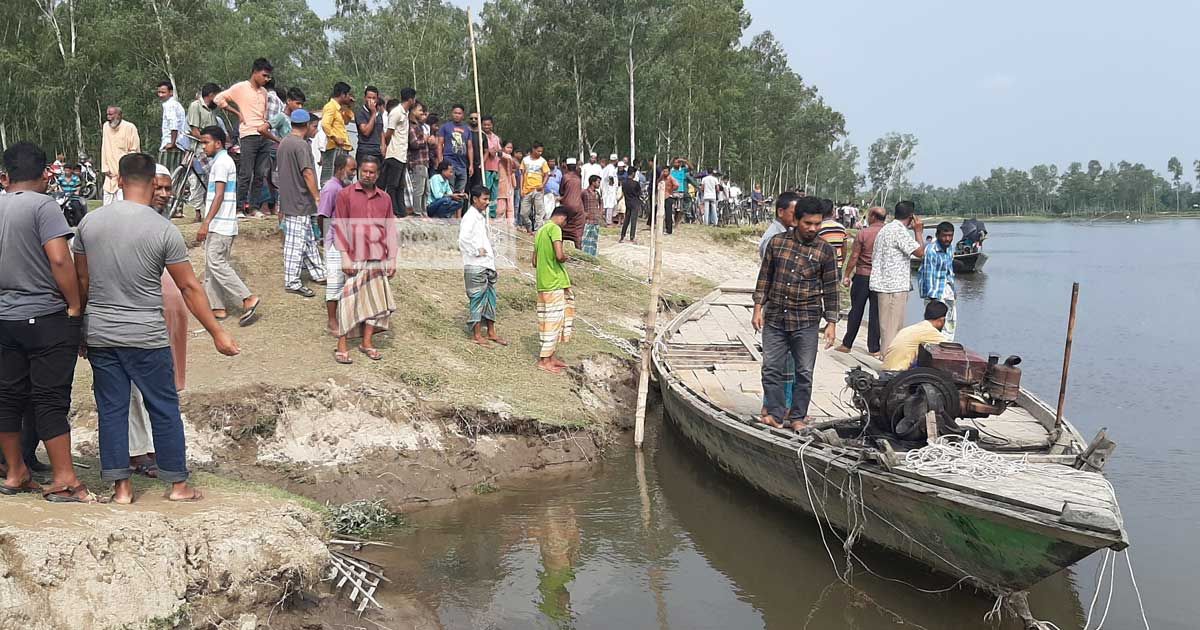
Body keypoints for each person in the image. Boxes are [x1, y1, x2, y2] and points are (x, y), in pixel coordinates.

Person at [74, 152, 238, 504]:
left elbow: (82, 282)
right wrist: (217, 332)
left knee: (112, 409)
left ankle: (121, 489)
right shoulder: (163, 229)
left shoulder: (90, 224)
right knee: (162, 407)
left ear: (118, 181)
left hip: (102, 333)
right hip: (147, 336)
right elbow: (190, 287)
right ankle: (178, 486)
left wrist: (81, 329)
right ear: (151, 184)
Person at [0, 142, 91, 502]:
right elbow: (58, 259)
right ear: (45, 174)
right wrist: (74, 305)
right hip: (45, 314)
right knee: (50, 398)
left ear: (6, 174)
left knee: (7, 397)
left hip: (5, 316)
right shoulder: (44, 206)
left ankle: (15, 471)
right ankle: (65, 478)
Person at [751, 196, 839, 431]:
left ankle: (798, 416)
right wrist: (758, 309)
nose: (813, 228)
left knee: (804, 371)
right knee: (771, 368)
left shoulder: (825, 251)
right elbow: (764, 279)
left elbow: (831, 289)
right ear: (796, 220)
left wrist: (831, 322)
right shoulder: (777, 243)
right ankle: (775, 414)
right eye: (808, 223)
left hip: (807, 320)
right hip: (776, 318)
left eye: (817, 224)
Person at [126, 165, 191, 478]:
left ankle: (152, 449)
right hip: (137, 320)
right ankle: (138, 453)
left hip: (168, 318)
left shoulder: (164, 225)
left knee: (161, 385)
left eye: (168, 189)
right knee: (134, 389)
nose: (165, 194)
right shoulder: (127, 222)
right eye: (159, 188)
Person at [333, 156, 396, 364]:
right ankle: (341, 345)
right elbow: (339, 226)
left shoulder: (385, 198)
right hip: (354, 255)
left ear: (377, 174)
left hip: (378, 256)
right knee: (348, 301)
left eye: (372, 172)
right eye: (365, 171)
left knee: (375, 303)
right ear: (359, 171)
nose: (368, 175)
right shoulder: (345, 195)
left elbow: (390, 229)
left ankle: (367, 342)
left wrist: (392, 258)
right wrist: (344, 257)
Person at [195, 126, 261, 326]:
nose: (204, 147)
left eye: (206, 142)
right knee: (210, 266)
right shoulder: (220, 162)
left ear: (218, 143)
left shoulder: (222, 163)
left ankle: (247, 298)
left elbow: (219, 195)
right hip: (220, 224)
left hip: (221, 225)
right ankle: (218, 308)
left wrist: (206, 223)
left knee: (216, 263)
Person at [277, 109, 326, 297]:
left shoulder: (283, 143)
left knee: (308, 240)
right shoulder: (301, 145)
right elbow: (307, 172)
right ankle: (292, 281)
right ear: (306, 125)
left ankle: (319, 273)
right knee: (295, 244)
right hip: (299, 200)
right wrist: (316, 196)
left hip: (289, 198)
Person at [215, 58, 273, 215]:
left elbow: (265, 113)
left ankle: (254, 207)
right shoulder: (240, 88)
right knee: (246, 173)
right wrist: (236, 112)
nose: (266, 79)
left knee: (260, 174)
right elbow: (218, 99)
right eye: (264, 75)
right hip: (248, 135)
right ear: (255, 72)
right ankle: (240, 207)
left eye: (269, 77)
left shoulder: (264, 93)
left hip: (263, 135)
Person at [870, 200, 927, 352]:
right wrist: (918, 232)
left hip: (884, 285)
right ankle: (889, 363)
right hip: (894, 287)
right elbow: (921, 253)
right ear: (911, 216)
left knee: (886, 327)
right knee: (892, 329)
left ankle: (888, 359)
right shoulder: (899, 231)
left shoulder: (886, 229)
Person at [459, 185, 508, 348]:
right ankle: (477, 334)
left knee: (490, 298)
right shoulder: (469, 217)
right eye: (484, 199)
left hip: (487, 264)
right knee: (477, 299)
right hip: (475, 265)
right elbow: (463, 240)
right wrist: (476, 251)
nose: (487, 202)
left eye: (488, 199)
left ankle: (491, 332)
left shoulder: (481, 217)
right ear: (475, 199)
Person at [836, 206, 885, 356]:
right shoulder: (887, 233)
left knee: (856, 310)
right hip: (880, 277)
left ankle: (847, 343)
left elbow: (854, 256)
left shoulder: (864, 233)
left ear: (872, 217)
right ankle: (874, 348)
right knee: (876, 313)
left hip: (863, 275)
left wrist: (847, 275)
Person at [534, 207, 575, 375]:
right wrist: (566, 258)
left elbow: (534, 261)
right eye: (566, 222)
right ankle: (544, 361)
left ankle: (550, 357)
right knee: (554, 321)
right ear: (562, 217)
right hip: (555, 283)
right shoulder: (555, 229)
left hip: (543, 282)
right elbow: (559, 255)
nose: (565, 226)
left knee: (547, 320)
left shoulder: (540, 231)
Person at [318, 153, 356, 335]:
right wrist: (327, 239)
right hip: (334, 242)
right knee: (334, 282)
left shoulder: (344, 187)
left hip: (345, 242)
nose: (353, 173)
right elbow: (323, 215)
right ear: (341, 168)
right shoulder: (331, 188)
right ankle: (332, 322)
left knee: (345, 283)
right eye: (352, 169)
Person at [881, 300, 950, 371]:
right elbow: (950, 349)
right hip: (897, 372)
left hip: (886, 368)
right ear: (941, 320)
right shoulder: (930, 331)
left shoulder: (913, 328)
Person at [918, 222, 957, 341]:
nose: (947, 239)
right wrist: (933, 300)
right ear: (938, 235)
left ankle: (947, 346)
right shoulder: (931, 251)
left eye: (950, 236)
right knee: (934, 325)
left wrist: (954, 291)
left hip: (947, 291)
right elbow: (928, 275)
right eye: (944, 236)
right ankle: (933, 350)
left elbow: (949, 271)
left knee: (950, 323)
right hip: (935, 293)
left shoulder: (950, 248)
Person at [382, 87, 415, 217]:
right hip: (394, 153)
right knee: (392, 185)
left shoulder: (405, 113)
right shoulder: (396, 112)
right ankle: (393, 210)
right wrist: (388, 146)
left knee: (401, 185)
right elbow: (388, 133)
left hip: (402, 154)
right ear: (411, 99)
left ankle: (401, 211)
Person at [100, 106, 140, 205]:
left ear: (119, 115)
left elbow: (134, 151)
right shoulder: (106, 127)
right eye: (107, 114)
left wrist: (125, 170)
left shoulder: (129, 127)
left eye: (111, 114)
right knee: (107, 209)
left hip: (125, 176)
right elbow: (104, 147)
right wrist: (104, 167)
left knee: (123, 207)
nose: (109, 117)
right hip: (110, 176)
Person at [320, 82, 354, 186]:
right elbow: (325, 124)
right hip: (335, 147)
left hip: (342, 147)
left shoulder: (340, 109)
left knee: (343, 179)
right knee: (330, 178)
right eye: (348, 94)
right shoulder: (331, 106)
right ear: (343, 94)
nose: (349, 97)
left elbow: (347, 120)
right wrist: (335, 138)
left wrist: (349, 106)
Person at [436, 105, 474, 196]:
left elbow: (470, 147)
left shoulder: (467, 129)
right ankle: (449, 210)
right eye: (455, 113)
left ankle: (459, 210)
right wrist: (440, 160)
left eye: (459, 113)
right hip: (449, 162)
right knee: (449, 189)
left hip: (462, 164)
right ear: (452, 114)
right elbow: (440, 144)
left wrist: (471, 165)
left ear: (463, 115)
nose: (457, 115)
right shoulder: (445, 127)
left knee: (461, 192)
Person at [155, 81, 190, 177]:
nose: (160, 95)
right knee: (175, 177)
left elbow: (173, 125)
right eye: (159, 92)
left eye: (163, 92)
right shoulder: (175, 104)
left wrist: (172, 143)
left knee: (164, 176)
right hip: (179, 145)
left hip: (171, 147)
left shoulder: (170, 105)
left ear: (170, 92)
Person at [406, 100, 434, 216]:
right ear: (413, 111)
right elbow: (413, 143)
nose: (422, 113)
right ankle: (417, 211)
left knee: (426, 189)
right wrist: (425, 140)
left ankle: (424, 211)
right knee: (419, 188)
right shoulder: (411, 126)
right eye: (420, 110)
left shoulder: (420, 127)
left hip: (424, 161)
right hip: (417, 161)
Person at [520, 143, 551, 233]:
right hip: (527, 189)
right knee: (523, 213)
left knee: (539, 213)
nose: (540, 153)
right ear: (533, 149)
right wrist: (521, 188)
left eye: (541, 151)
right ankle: (529, 227)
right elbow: (522, 174)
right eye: (538, 151)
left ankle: (538, 231)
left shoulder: (543, 161)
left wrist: (542, 185)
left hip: (538, 190)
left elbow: (547, 175)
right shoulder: (525, 160)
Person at [355, 85, 385, 166]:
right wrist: (373, 114)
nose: (371, 100)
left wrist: (383, 146)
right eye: (369, 98)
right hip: (365, 151)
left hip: (377, 152)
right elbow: (366, 131)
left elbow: (381, 130)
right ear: (365, 98)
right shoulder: (361, 113)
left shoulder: (379, 113)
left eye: (373, 98)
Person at [817, 198, 848, 269]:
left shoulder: (818, 228)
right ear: (832, 212)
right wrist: (841, 263)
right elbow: (844, 249)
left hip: (822, 265)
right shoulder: (841, 228)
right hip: (837, 265)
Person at [480, 116, 502, 217]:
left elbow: (498, 151)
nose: (486, 126)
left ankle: (492, 213)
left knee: (494, 192)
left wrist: (496, 151)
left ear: (492, 125)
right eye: (484, 125)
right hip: (486, 168)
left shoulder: (496, 138)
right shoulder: (480, 136)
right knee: (486, 190)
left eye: (488, 124)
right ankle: (483, 212)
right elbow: (488, 152)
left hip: (496, 168)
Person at [493, 140, 518, 223]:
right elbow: (500, 155)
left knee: (510, 208)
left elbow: (515, 166)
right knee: (501, 208)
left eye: (511, 148)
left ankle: (510, 227)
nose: (510, 150)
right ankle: (499, 226)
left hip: (509, 185)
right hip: (501, 185)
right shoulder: (499, 157)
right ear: (503, 148)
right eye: (508, 147)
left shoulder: (510, 158)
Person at [618, 171, 643, 243]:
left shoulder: (624, 183)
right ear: (633, 173)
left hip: (627, 202)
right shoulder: (635, 183)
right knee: (633, 221)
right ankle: (632, 237)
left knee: (626, 220)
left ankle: (622, 236)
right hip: (635, 202)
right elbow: (639, 193)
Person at [581, 174, 602, 256]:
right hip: (587, 221)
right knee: (585, 239)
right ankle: (584, 255)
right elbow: (579, 203)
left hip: (595, 221)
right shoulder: (584, 192)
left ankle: (592, 256)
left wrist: (600, 212)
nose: (599, 184)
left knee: (594, 240)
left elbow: (601, 203)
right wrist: (583, 213)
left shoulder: (597, 193)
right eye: (598, 182)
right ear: (593, 182)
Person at [600, 154, 619, 225]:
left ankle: (607, 220)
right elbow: (610, 176)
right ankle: (609, 222)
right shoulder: (611, 167)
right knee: (610, 205)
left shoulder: (607, 167)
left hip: (607, 189)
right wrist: (612, 184)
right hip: (609, 189)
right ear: (615, 160)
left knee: (608, 205)